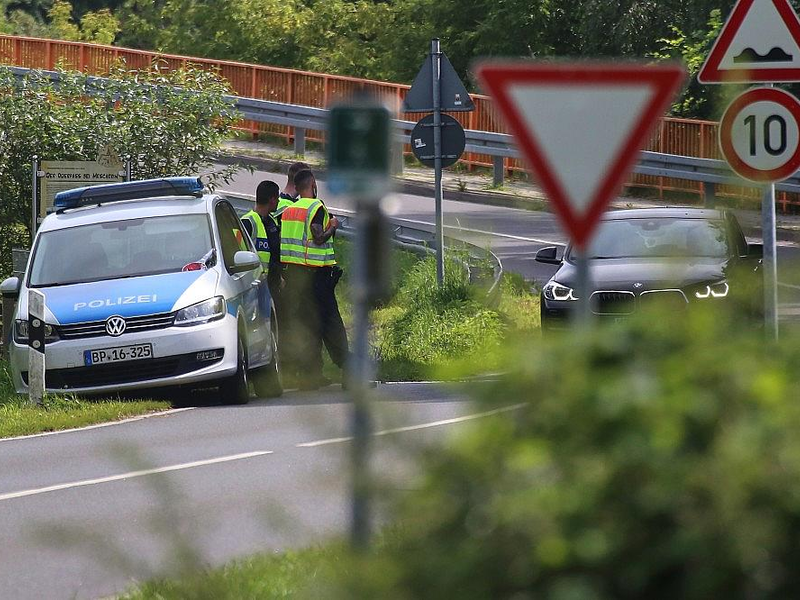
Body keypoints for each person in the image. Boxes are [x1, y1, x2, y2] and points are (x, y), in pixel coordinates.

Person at [280, 169, 350, 389]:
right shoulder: (316, 208)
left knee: (307, 326)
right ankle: (350, 371)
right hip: (316, 277)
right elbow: (318, 237)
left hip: (295, 278)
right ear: (312, 184)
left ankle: (308, 376)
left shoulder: (289, 210)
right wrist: (333, 227)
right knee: (332, 324)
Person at [241, 180, 282, 300]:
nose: (279, 201)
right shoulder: (248, 222)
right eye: (277, 198)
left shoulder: (272, 222)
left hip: (271, 283)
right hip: (254, 285)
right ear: (272, 199)